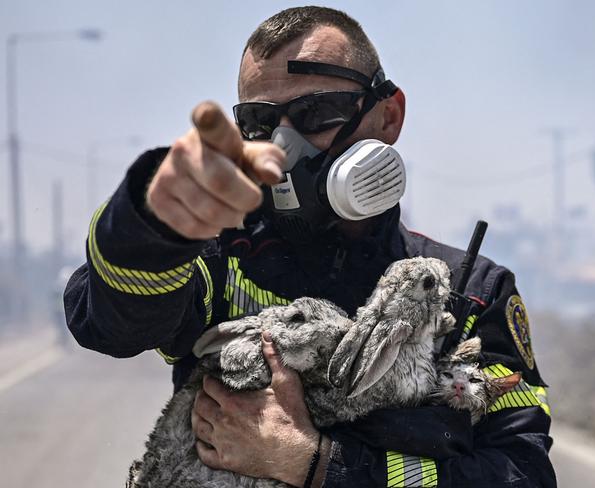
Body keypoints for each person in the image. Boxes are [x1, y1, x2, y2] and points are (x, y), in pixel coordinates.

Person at [64, 6, 556, 487]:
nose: (283, 145)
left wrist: (318, 464)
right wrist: (153, 226)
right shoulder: (215, 256)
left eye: (315, 112)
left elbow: (523, 473)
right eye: (260, 122)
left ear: (388, 117)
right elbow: (109, 327)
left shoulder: (462, 292)